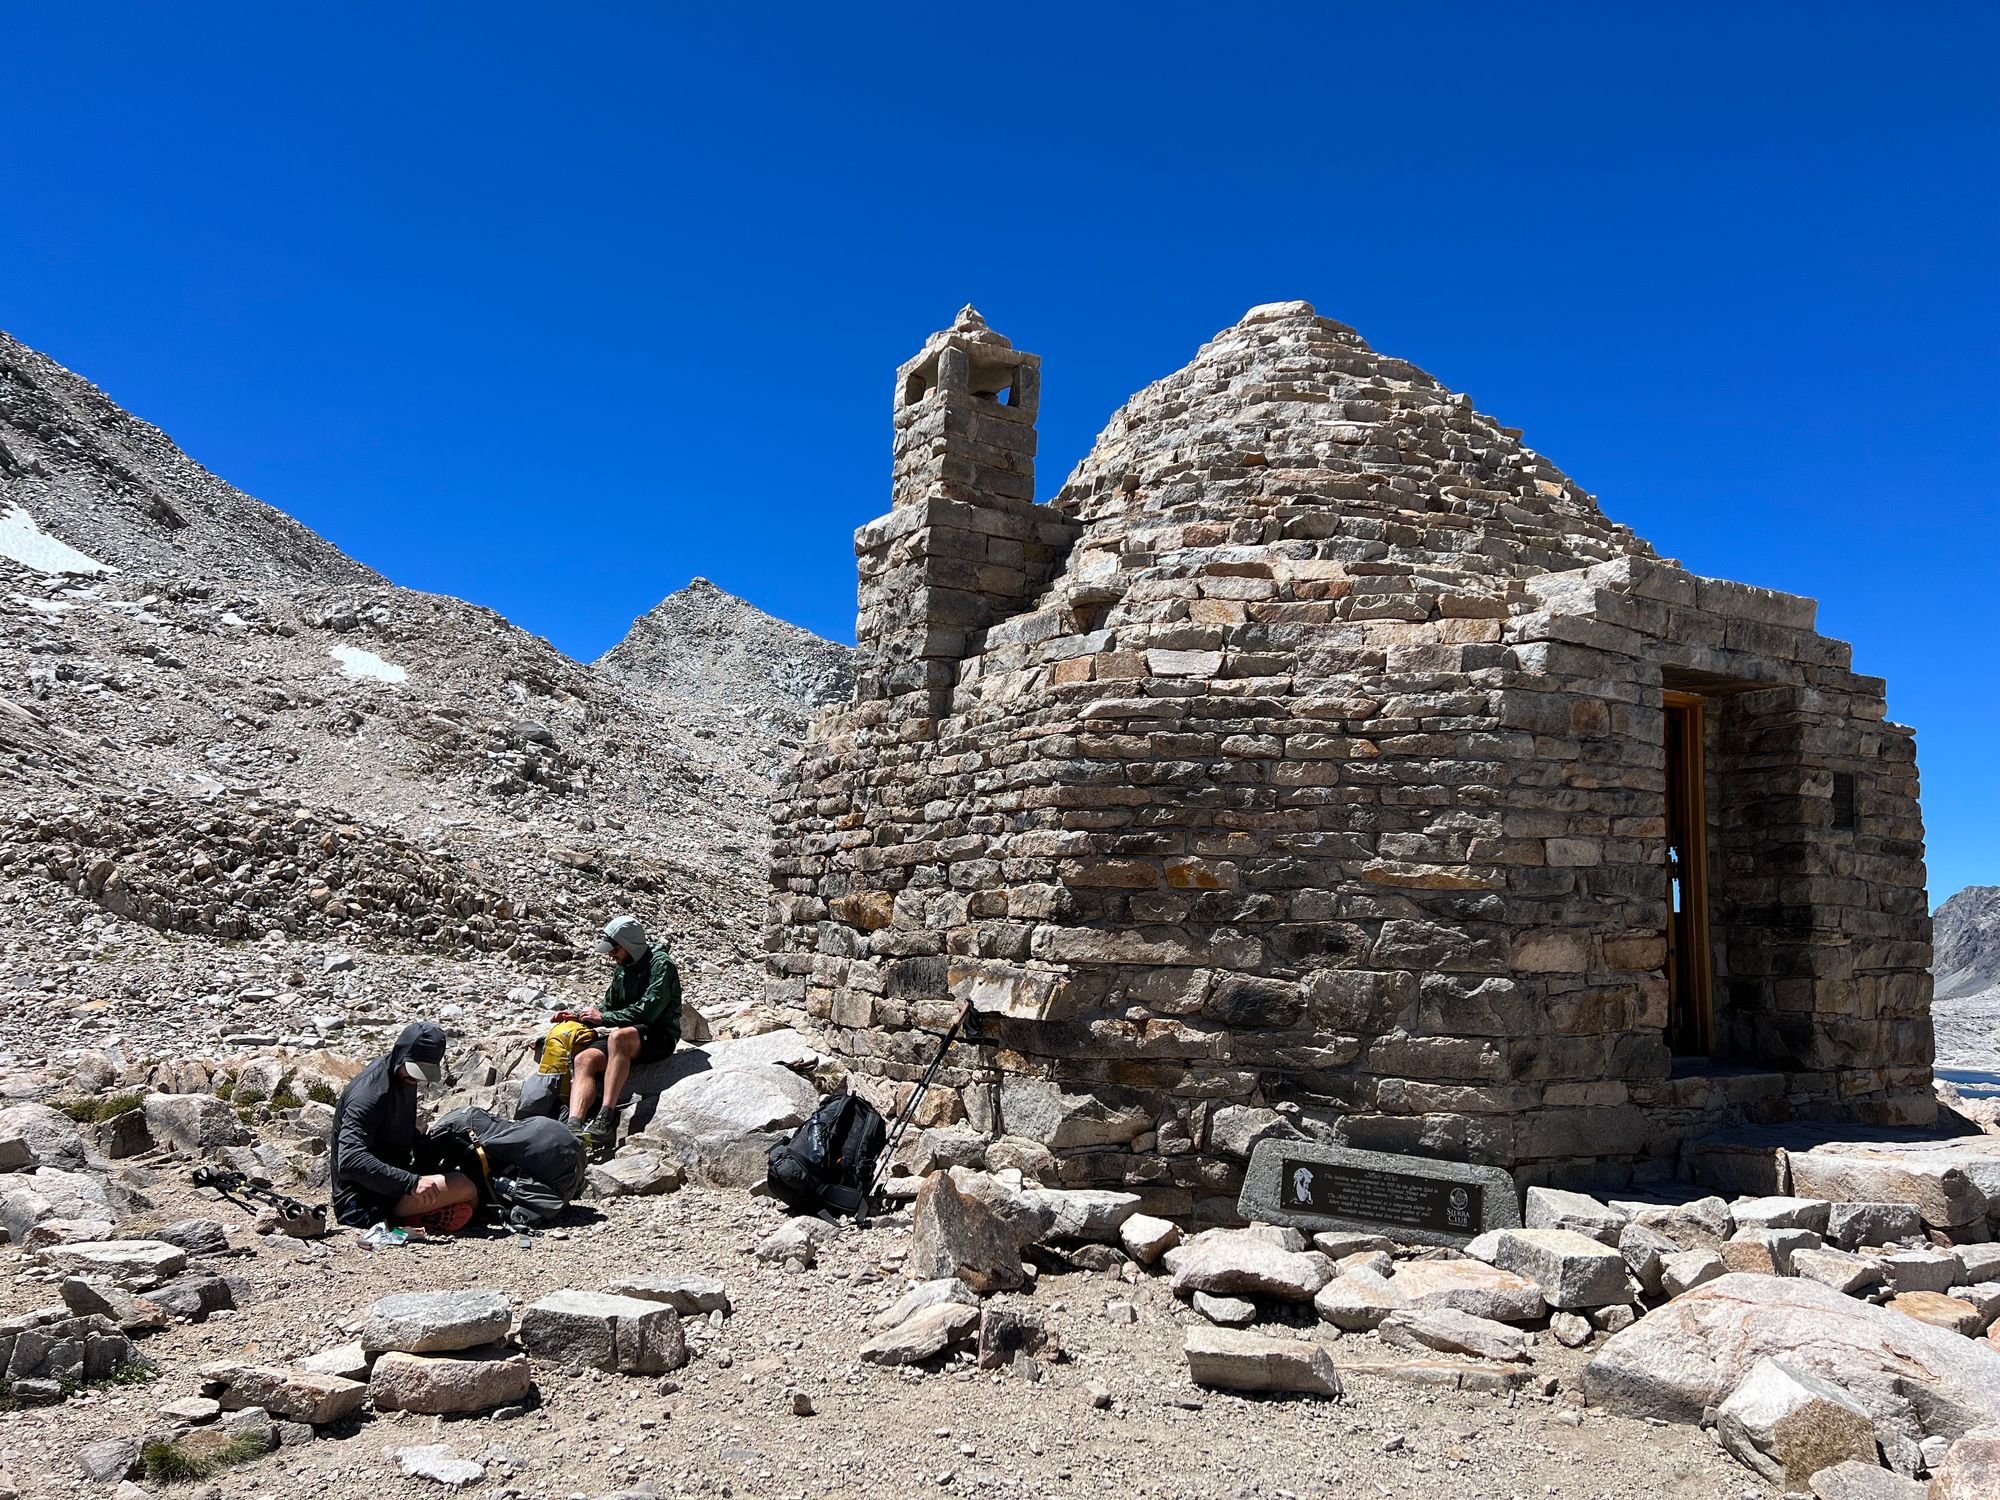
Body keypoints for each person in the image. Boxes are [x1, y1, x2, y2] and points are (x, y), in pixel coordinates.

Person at [330, 1019, 480, 1232]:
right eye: (414, 1070)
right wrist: (410, 1183)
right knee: (465, 1187)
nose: (416, 1078)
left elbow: (395, 1131)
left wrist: (427, 1144)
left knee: (467, 1180)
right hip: (360, 1203)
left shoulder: (401, 1076)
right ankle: (410, 1218)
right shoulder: (369, 1093)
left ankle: (421, 1215)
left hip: (390, 1182)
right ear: (400, 1053)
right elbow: (349, 1159)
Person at [555, 914, 681, 1158]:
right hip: (628, 1033)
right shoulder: (622, 969)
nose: (611, 954)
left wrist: (604, 1019)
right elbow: (608, 1007)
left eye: (615, 948)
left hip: (659, 1034)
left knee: (617, 1038)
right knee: (584, 1059)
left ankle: (606, 1116)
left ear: (629, 944)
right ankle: (574, 1124)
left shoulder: (661, 964)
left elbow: (650, 1010)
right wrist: (578, 1016)